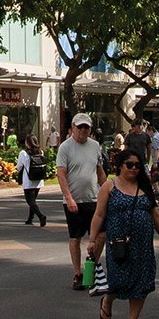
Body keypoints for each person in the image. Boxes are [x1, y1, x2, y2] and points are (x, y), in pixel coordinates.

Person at [87, 147, 159, 319]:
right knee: (118, 280)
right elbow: (99, 214)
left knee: (142, 280)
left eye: (137, 165)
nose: (133, 168)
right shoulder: (109, 186)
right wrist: (92, 240)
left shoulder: (145, 187)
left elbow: (155, 215)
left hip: (143, 244)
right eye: (129, 165)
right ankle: (108, 300)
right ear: (120, 166)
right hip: (118, 243)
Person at [55, 112, 107, 290]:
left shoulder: (95, 146)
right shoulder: (65, 147)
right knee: (75, 237)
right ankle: (78, 273)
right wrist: (68, 197)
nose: (83, 130)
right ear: (73, 128)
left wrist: (108, 191)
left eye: (86, 127)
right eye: (80, 127)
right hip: (74, 200)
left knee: (100, 235)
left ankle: (91, 265)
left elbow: (99, 171)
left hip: (93, 198)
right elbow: (61, 174)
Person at [17, 134, 47, 226]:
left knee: (30, 201)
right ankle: (30, 218)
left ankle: (41, 216)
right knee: (33, 200)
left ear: (28, 143)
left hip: (29, 180)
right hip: (38, 179)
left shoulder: (23, 153)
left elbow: (19, 167)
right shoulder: (40, 152)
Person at [146, 123, 159, 200]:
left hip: (158, 161)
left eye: (148, 132)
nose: (148, 134)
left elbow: (157, 149)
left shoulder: (155, 138)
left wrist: (155, 162)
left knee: (155, 177)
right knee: (156, 176)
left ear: (151, 130)